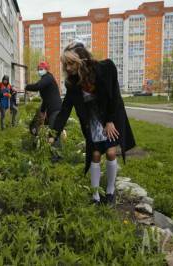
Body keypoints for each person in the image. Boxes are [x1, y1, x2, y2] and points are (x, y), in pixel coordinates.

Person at [52, 41, 135, 206]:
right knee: (95, 155)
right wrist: (52, 134)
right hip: (92, 121)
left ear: (81, 60)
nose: (67, 68)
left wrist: (110, 120)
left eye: (71, 63)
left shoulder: (104, 69)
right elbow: (65, 110)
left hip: (110, 115)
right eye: (65, 64)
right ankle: (95, 195)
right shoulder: (73, 84)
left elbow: (114, 96)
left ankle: (110, 192)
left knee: (111, 153)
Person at [25, 61, 62, 131]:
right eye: (38, 69)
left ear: (46, 69)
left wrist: (26, 86)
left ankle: (57, 139)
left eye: (41, 69)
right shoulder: (44, 79)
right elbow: (45, 98)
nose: (39, 71)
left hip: (55, 109)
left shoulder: (48, 77)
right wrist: (42, 111)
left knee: (53, 132)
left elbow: (37, 86)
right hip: (50, 109)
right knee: (46, 130)